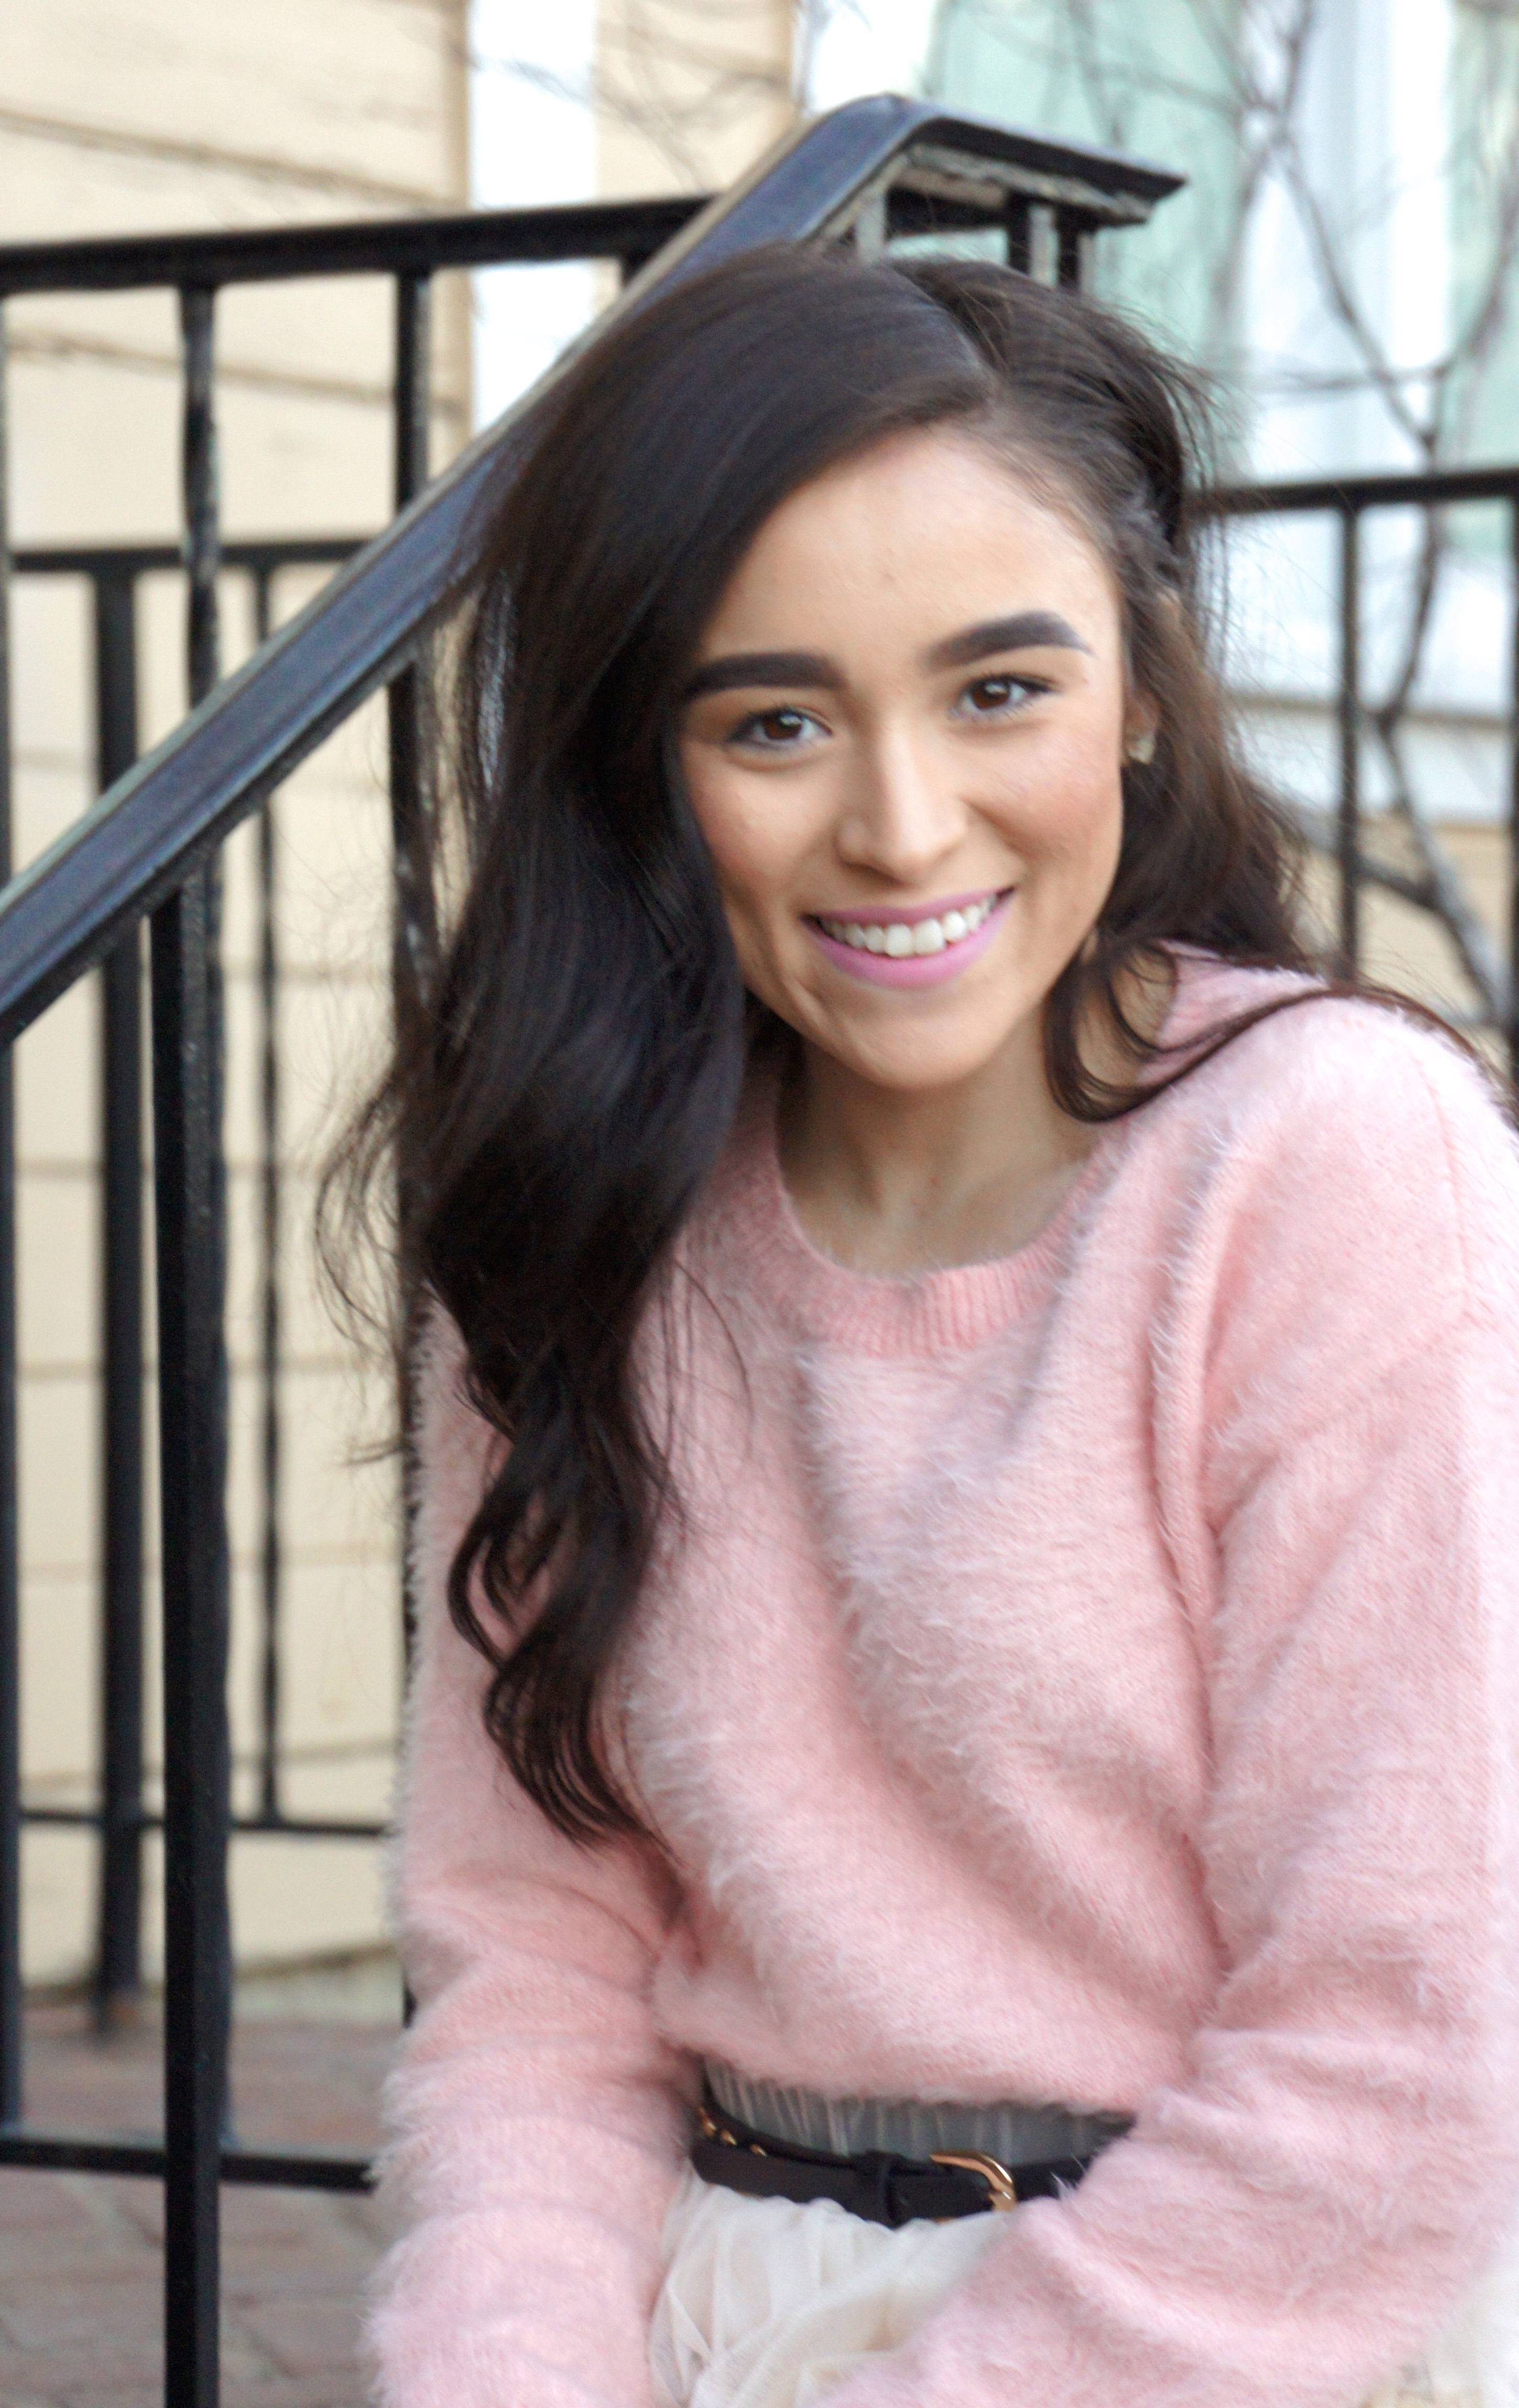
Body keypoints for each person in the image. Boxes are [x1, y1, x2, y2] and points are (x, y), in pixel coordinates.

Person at [339, 243, 1519, 2408]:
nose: (898, 827)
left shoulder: (1331, 1159)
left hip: (1231, 2333)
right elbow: (533, 1976)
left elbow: (1400, 2044)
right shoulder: (585, 1209)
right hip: (707, 2319)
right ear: (644, 759)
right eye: (774, 721)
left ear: (1141, 687)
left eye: (998, 691)